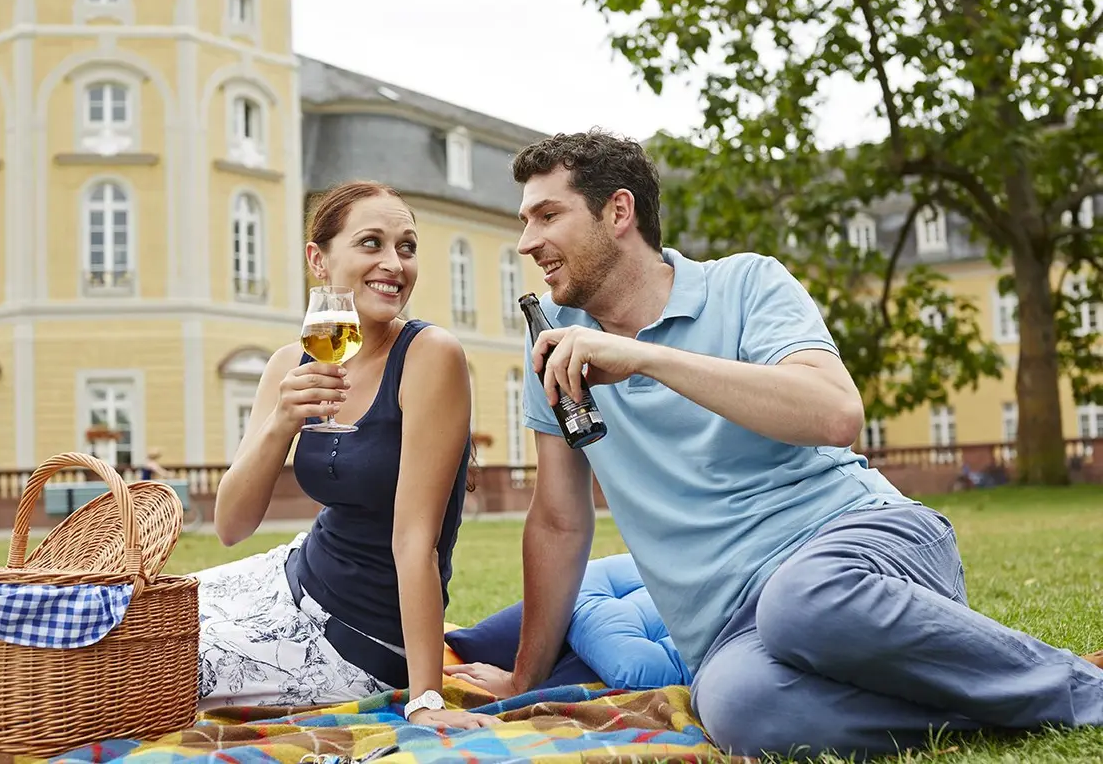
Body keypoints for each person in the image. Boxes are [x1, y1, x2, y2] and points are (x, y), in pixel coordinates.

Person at [443, 130, 1103, 759]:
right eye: (525, 221)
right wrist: (524, 679)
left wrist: (644, 357)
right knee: (742, 712)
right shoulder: (552, 341)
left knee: (802, 601)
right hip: (732, 627)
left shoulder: (747, 283)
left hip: (857, 545)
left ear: (618, 212)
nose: (527, 242)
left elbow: (836, 413)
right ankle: (1001, 697)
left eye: (547, 216)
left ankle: (1084, 692)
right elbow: (559, 521)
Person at [195, 181, 496, 731]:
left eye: (406, 247)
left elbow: (416, 542)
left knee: (161, 669)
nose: (394, 264)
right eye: (371, 243)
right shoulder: (293, 361)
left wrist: (427, 699)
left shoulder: (429, 356)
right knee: (131, 619)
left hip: (355, 639)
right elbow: (231, 525)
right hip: (288, 576)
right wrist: (282, 421)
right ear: (319, 260)